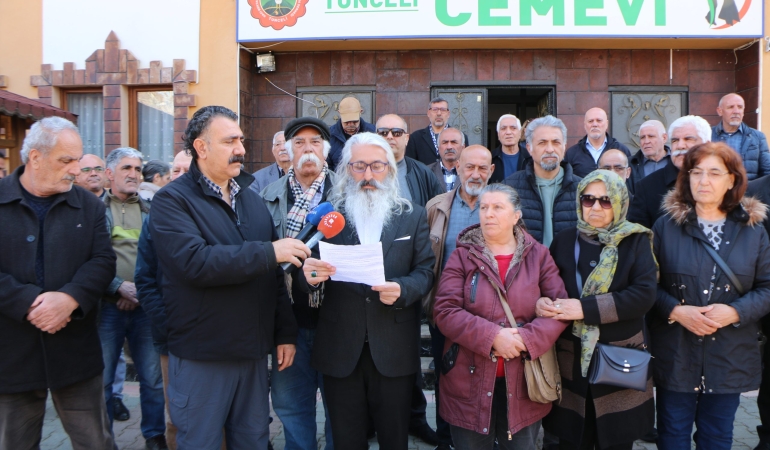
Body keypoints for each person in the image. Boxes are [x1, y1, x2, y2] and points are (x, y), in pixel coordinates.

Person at [149, 106, 301, 449]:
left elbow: (272, 276)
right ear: (201, 148)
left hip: (250, 353)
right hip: (203, 355)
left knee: (253, 440)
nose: (242, 149)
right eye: (230, 141)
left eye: (242, 140)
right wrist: (268, 252)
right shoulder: (172, 202)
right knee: (201, 441)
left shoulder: (251, 199)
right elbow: (194, 262)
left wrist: (284, 332)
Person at [301, 132, 435, 450]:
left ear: (390, 169)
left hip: (393, 345)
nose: (368, 176)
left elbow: (426, 272)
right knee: (346, 440)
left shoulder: (412, 216)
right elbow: (307, 269)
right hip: (339, 345)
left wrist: (402, 289)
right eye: (359, 166)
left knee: (393, 438)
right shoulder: (328, 216)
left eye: (377, 166)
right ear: (347, 170)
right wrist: (310, 276)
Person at [0, 117, 115, 449]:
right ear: (35, 158)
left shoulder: (89, 205)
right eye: (67, 160)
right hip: (12, 354)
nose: (76, 170)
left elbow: (103, 261)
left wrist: (69, 299)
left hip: (75, 352)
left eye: (78, 159)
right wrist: (30, 305)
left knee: (95, 440)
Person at [650, 141, 770, 449]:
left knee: (717, 438)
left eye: (715, 173)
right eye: (697, 172)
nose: (704, 181)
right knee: (672, 436)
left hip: (728, 357)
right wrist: (676, 311)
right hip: (676, 354)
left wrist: (736, 311)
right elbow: (646, 285)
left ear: (731, 180)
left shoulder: (753, 231)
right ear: (686, 177)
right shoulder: (665, 226)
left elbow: (767, 288)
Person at [433, 183, 568, 450]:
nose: (488, 214)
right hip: (467, 382)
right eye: (484, 207)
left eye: (497, 207)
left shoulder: (539, 256)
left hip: (524, 384)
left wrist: (525, 340)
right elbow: (444, 311)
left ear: (516, 215)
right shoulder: (462, 256)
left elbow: (559, 310)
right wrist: (493, 336)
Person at [538, 170, 657, 450]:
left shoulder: (636, 240)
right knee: (572, 438)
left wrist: (583, 308)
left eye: (605, 200)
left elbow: (643, 295)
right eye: (588, 199)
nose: (595, 207)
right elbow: (548, 286)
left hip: (620, 356)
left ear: (619, 202)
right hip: (572, 357)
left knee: (615, 439)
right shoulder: (565, 240)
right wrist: (541, 301)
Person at [260, 116, 336, 450]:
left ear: (326, 151)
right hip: (287, 324)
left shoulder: (348, 194)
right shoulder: (264, 197)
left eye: (315, 142)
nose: (308, 150)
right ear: (288, 151)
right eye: (300, 143)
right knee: (291, 407)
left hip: (338, 322)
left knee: (339, 409)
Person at [423, 145, 495, 450]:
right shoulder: (437, 207)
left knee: (489, 382)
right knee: (447, 377)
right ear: (457, 168)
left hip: (491, 315)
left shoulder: (501, 206)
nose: (475, 174)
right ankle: (445, 439)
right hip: (448, 314)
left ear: (491, 171)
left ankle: (486, 438)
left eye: (482, 168)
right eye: (469, 167)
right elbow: (427, 258)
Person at [98, 147, 167, 449]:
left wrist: (138, 290)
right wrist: (117, 287)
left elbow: (160, 256)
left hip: (145, 307)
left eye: (138, 169)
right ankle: (103, 440)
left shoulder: (153, 209)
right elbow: (89, 258)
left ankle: (154, 436)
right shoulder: (93, 211)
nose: (134, 174)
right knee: (101, 381)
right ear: (109, 174)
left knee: (152, 380)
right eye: (126, 168)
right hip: (107, 308)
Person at [134, 149, 193, 450]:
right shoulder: (157, 215)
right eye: (176, 171)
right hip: (171, 336)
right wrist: (166, 322)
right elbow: (144, 277)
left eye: (186, 170)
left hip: (212, 335)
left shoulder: (216, 211)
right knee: (177, 418)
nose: (179, 176)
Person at [503, 115, 581, 247]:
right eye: (542, 143)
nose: (550, 149)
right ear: (529, 148)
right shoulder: (509, 188)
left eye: (556, 142)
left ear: (564, 146)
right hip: (526, 266)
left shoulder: (582, 188)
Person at [628, 115, 712, 228]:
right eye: (675, 140)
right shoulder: (646, 187)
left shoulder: (726, 182)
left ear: (706, 145)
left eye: (688, 139)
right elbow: (638, 240)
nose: (680, 145)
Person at [376, 113, 445, 208]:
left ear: (406, 138)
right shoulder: (363, 172)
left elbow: (439, 211)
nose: (390, 136)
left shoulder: (423, 173)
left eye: (397, 132)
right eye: (383, 132)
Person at [712, 93, 770, 180]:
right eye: (731, 107)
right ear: (720, 111)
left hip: (748, 191)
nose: (736, 111)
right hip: (716, 191)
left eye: (740, 107)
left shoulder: (758, 137)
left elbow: (767, 172)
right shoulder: (708, 135)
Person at [565, 108, 632, 178]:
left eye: (599, 120)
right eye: (590, 121)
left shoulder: (621, 150)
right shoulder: (572, 153)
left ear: (606, 124)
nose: (595, 124)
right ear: (585, 125)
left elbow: (630, 181)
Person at [405, 97, 469, 166]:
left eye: (443, 110)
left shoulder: (460, 136)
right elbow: (410, 164)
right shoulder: (416, 137)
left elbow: (465, 160)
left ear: (448, 114)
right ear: (428, 113)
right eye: (435, 110)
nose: (439, 113)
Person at [327, 97, 376, 172]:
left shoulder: (374, 133)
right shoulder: (329, 135)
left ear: (361, 112)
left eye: (354, 122)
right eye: (346, 122)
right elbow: (327, 167)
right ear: (339, 113)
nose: (350, 125)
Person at [629, 120, 671, 186]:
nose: (646, 141)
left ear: (664, 138)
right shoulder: (630, 164)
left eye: (651, 136)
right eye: (642, 137)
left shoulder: (677, 161)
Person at [490, 114, 531, 182]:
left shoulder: (531, 159)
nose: (508, 132)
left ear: (520, 133)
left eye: (513, 128)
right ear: (498, 134)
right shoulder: (491, 159)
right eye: (503, 128)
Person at [428, 127, 465, 192]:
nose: (449, 147)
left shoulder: (470, 172)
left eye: (454, 142)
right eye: (445, 142)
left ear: (463, 147)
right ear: (438, 148)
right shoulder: (426, 172)